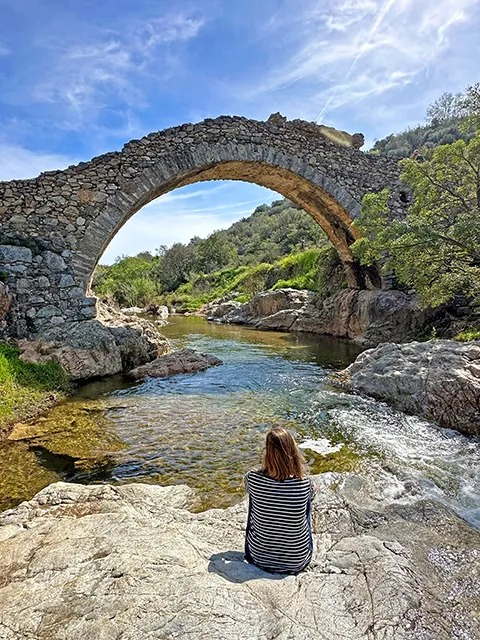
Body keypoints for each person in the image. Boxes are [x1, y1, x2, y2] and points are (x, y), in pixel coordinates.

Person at [243, 426, 315, 574]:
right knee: (306, 506)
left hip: (259, 558)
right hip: (297, 561)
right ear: (293, 452)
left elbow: (246, 485)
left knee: (254, 502)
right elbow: (314, 490)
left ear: (267, 453)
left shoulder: (252, 478)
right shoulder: (305, 484)